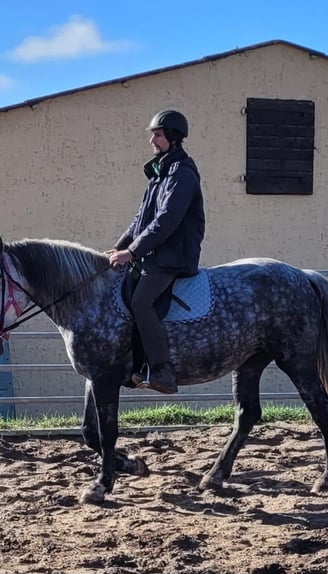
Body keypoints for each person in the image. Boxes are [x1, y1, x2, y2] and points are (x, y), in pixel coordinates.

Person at [107, 109, 205, 394]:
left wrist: (132, 253)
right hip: (155, 255)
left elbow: (166, 220)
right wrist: (119, 247)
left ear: (172, 138)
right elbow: (140, 220)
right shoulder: (160, 172)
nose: (152, 139)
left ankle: (162, 370)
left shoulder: (182, 173)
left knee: (141, 302)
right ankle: (137, 364)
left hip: (173, 256)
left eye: (158, 134)